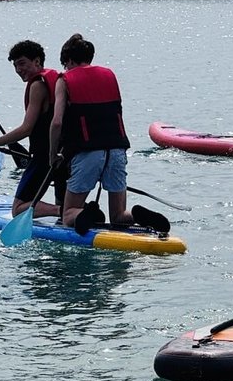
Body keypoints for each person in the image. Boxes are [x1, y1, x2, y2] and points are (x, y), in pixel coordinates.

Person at [48, 33, 170, 235]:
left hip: (87, 153)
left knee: (68, 214)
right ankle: (135, 215)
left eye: (65, 64)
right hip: (117, 150)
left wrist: (53, 155)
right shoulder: (109, 74)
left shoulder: (64, 79)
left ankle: (87, 213)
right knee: (118, 216)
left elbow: (57, 122)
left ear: (68, 60)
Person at [0, 40, 64, 218]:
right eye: (15, 65)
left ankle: (62, 211)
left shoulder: (37, 85)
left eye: (22, 63)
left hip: (44, 156)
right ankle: (72, 213)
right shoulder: (59, 80)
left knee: (18, 209)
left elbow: (26, 129)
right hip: (65, 154)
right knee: (62, 200)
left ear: (37, 61)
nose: (18, 69)